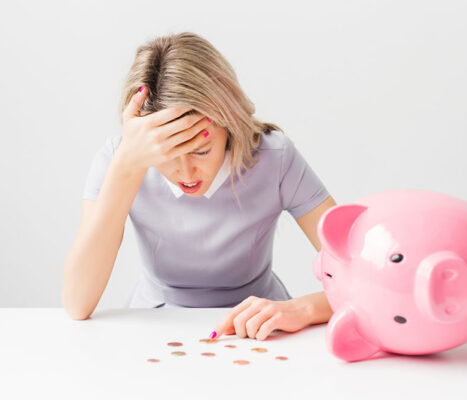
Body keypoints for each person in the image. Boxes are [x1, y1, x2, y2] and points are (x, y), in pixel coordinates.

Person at [62, 32, 336, 341]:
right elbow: (77, 302)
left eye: (201, 151)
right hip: (153, 327)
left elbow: (362, 274)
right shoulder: (121, 161)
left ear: (230, 125)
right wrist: (127, 167)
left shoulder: (275, 158)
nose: (186, 172)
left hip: (258, 328)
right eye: (166, 155)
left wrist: (302, 309)